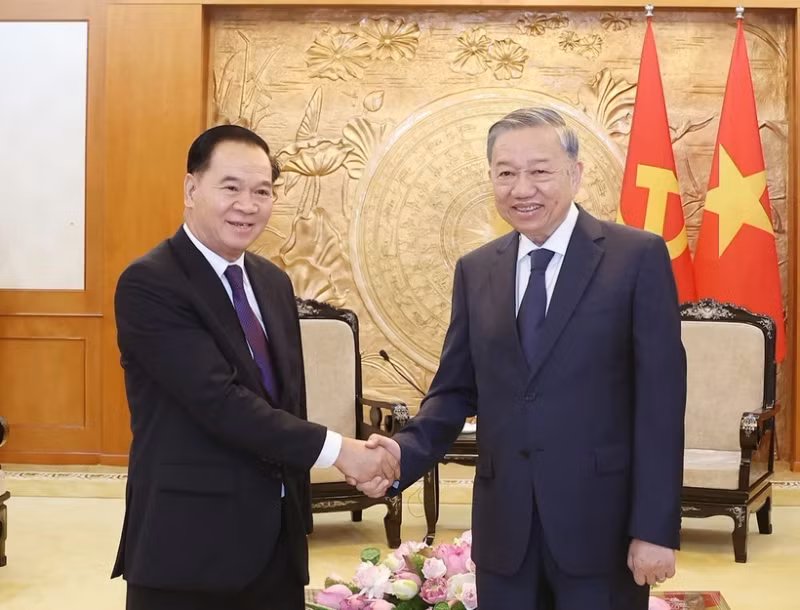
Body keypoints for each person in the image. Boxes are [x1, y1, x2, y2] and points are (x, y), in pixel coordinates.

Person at [364, 108, 686, 609]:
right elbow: (454, 390)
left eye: (540, 171)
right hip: (505, 534)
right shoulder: (476, 270)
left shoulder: (636, 257)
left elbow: (661, 404)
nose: (522, 188)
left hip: (601, 529)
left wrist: (654, 527)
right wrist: (402, 453)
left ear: (575, 174)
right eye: (506, 173)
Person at [111, 125, 399, 610]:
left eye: (262, 191)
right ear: (190, 188)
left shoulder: (270, 282)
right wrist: (340, 452)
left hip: (277, 545)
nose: (248, 204)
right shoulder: (150, 284)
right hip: (188, 547)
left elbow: (288, 401)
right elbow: (221, 404)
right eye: (231, 187)